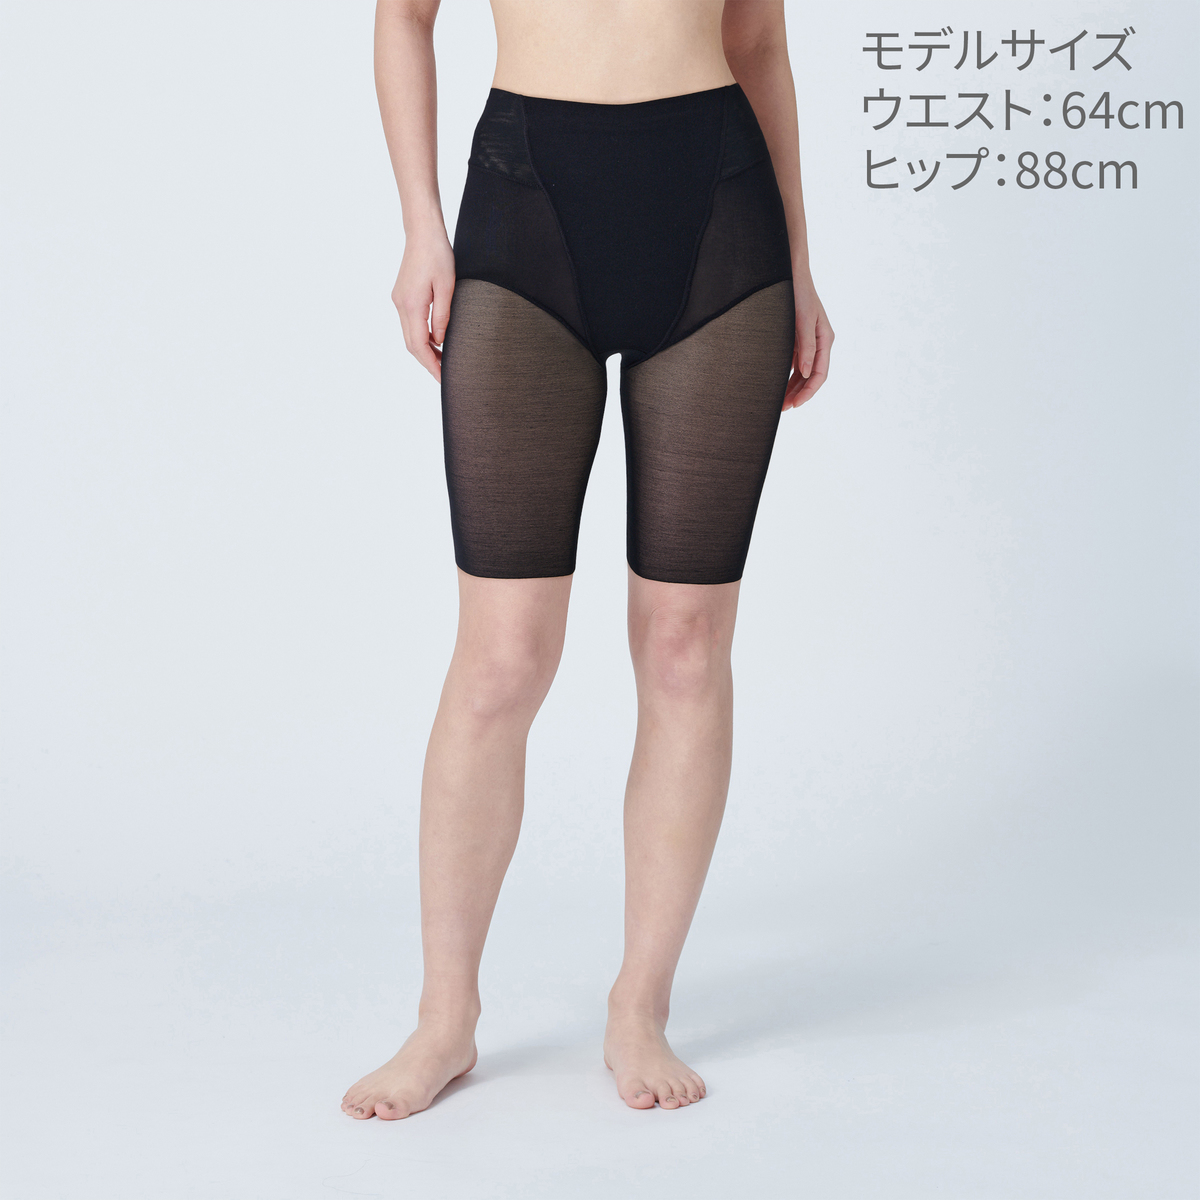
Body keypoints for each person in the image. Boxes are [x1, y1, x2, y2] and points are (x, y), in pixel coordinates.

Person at [342, 0, 833, 1120]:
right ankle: (445, 1017)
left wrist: (801, 262)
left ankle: (639, 1005)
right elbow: (403, 17)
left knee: (686, 646)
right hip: (524, 209)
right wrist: (421, 226)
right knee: (502, 658)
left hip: (721, 215)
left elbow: (758, 43)